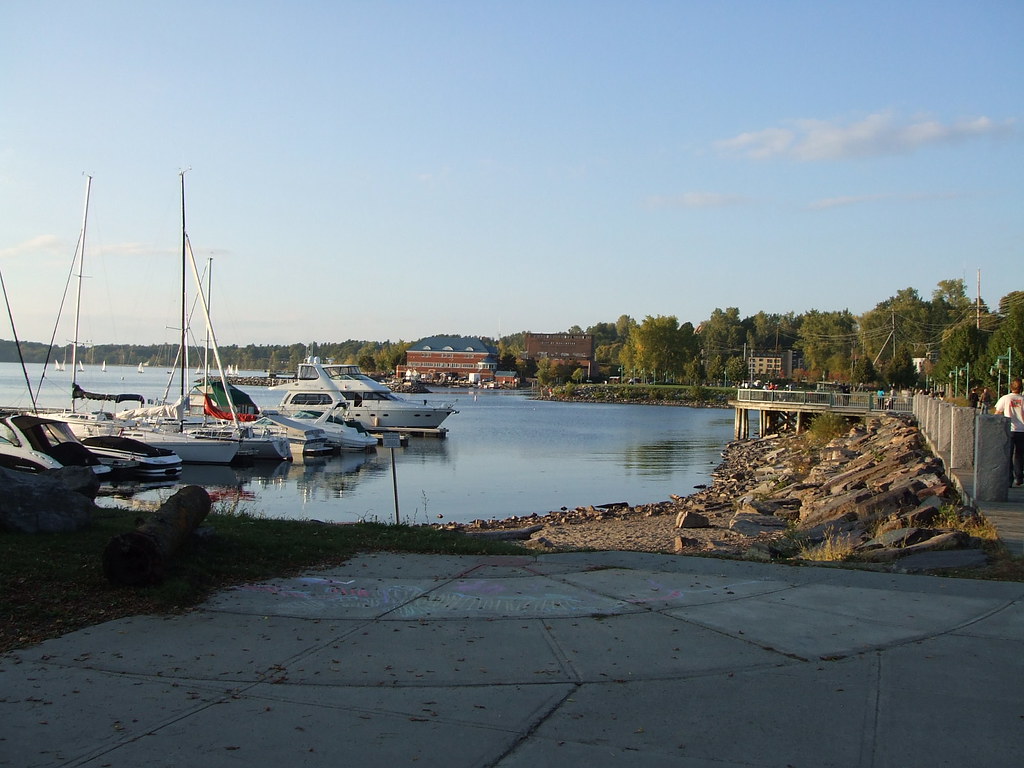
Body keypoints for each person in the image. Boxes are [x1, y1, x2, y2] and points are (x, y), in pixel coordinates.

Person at [992, 378, 1024, 487]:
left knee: (1008, 455)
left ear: (1011, 387)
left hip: (1008, 429)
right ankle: (1019, 477)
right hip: (1022, 430)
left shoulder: (1005, 398)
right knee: (1020, 455)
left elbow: (997, 413)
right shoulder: (1023, 399)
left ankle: (1008, 480)